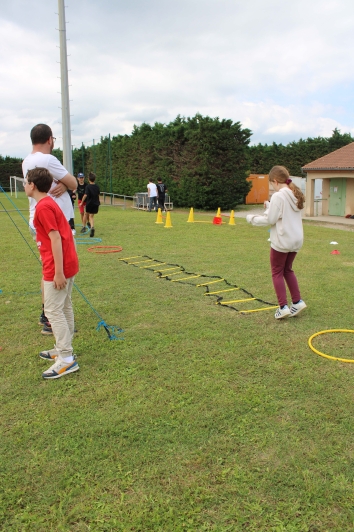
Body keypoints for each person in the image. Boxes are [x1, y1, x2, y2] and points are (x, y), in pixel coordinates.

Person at [24, 167, 79, 379]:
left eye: (26, 181)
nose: (24, 185)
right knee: (63, 306)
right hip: (65, 263)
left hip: (59, 268)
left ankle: (66, 359)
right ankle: (62, 348)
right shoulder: (48, 204)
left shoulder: (44, 207)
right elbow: (52, 238)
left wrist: (57, 272)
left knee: (53, 310)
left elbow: (56, 238)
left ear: (33, 185)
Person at [22, 124, 77, 335]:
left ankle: (48, 313)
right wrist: (66, 183)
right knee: (57, 267)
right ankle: (51, 316)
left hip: (39, 220)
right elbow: (73, 182)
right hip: (53, 221)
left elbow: (61, 184)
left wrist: (63, 184)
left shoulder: (27, 160)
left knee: (47, 266)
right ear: (49, 140)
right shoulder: (48, 159)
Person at [246, 165, 307, 319]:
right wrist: (269, 205)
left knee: (277, 272)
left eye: (271, 184)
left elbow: (270, 219)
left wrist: (251, 219)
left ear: (275, 181)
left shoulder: (279, 196)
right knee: (288, 270)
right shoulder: (294, 193)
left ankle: (283, 307)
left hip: (282, 240)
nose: (272, 187)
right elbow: (280, 211)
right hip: (295, 240)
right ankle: (297, 302)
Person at [81, 172, 100, 237]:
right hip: (95, 203)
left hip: (89, 203)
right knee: (91, 216)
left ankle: (83, 227)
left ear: (89, 179)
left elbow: (85, 195)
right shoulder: (97, 187)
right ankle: (92, 227)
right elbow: (98, 195)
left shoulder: (88, 187)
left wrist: (81, 202)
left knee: (86, 214)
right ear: (94, 179)